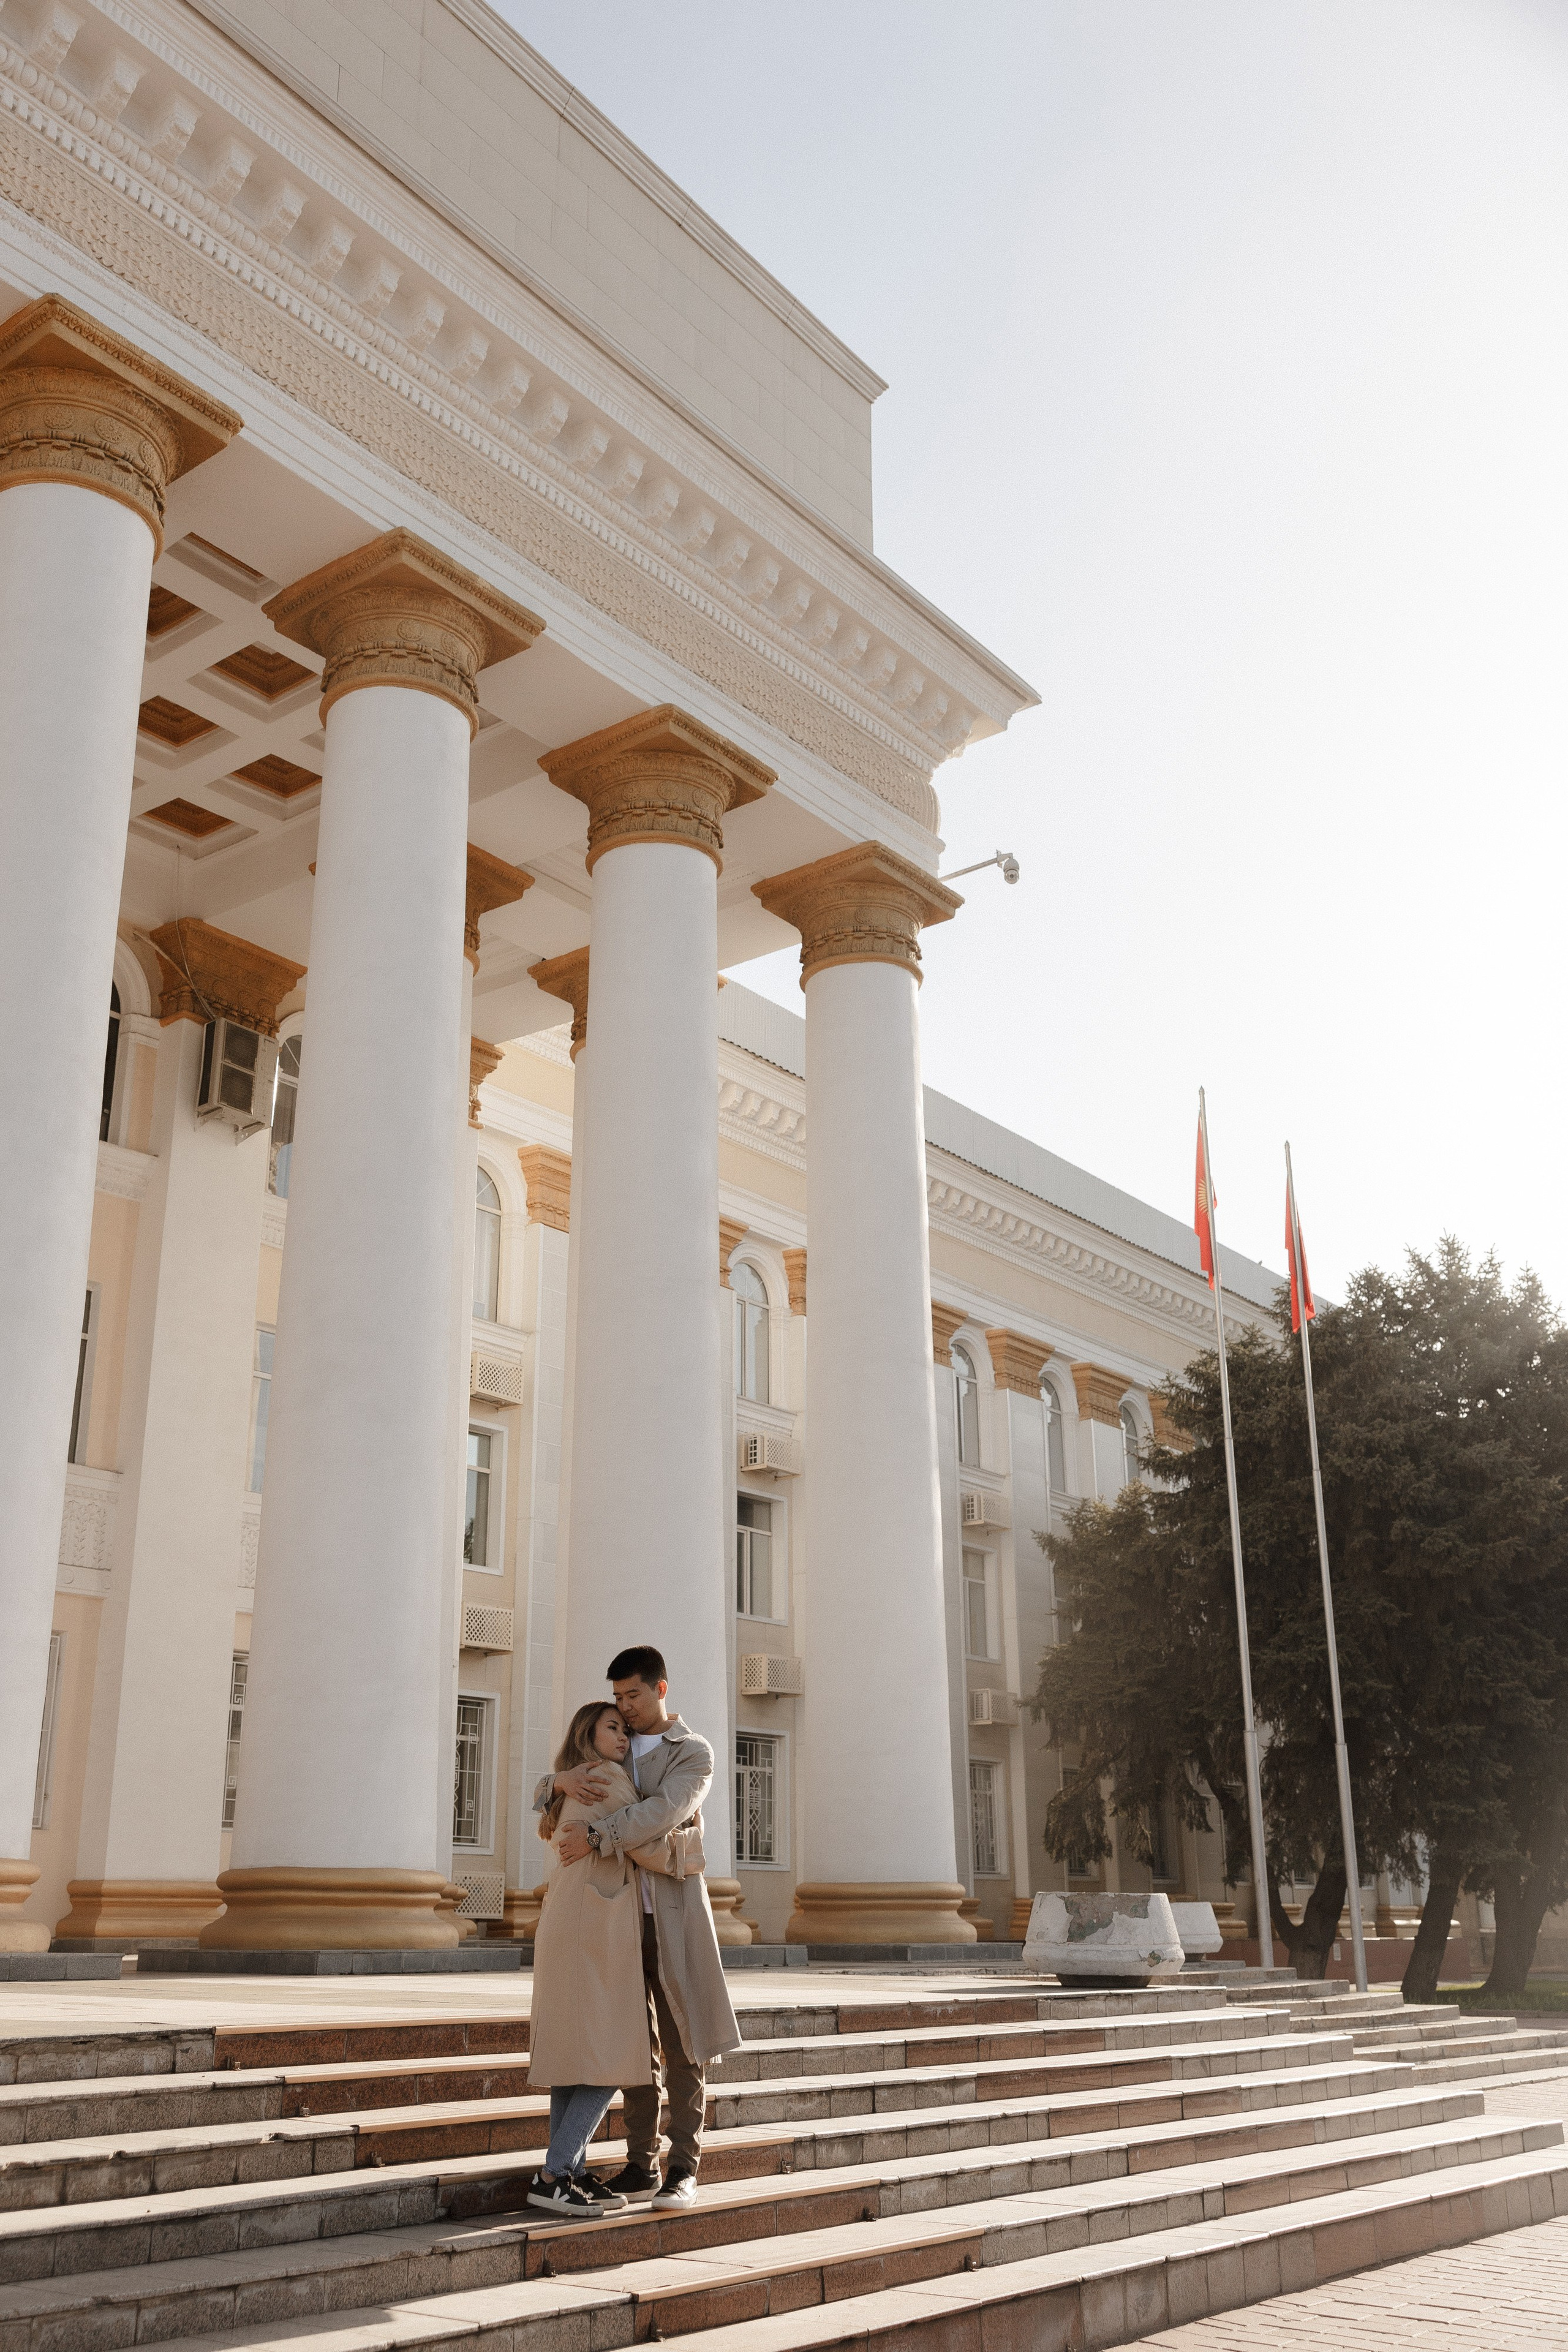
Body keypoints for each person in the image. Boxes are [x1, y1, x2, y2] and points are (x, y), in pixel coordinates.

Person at [536, 1644, 741, 2210]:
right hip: (615, 1918)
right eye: (618, 1697)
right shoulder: (612, 1748)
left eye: (634, 1695)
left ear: (661, 1690)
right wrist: (557, 1782)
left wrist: (605, 1836)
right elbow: (552, 1795)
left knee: (683, 2044)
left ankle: (683, 2167)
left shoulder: (692, 1752)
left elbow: (662, 1812)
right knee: (630, 2043)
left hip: (674, 1916)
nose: (625, 1708)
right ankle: (639, 2163)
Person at [524, 1700, 649, 2217]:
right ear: (588, 1734)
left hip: (576, 1923)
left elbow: (543, 1801)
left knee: (576, 2056)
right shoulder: (605, 1779)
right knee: (608, 2053)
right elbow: (649, 1825)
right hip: (589, 1928)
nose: (623, 1738)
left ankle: (570, 2171)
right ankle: (555, 2171)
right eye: (613, 1728)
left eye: (626, 1730)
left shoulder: (576, 1780)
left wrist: (553, 1781)